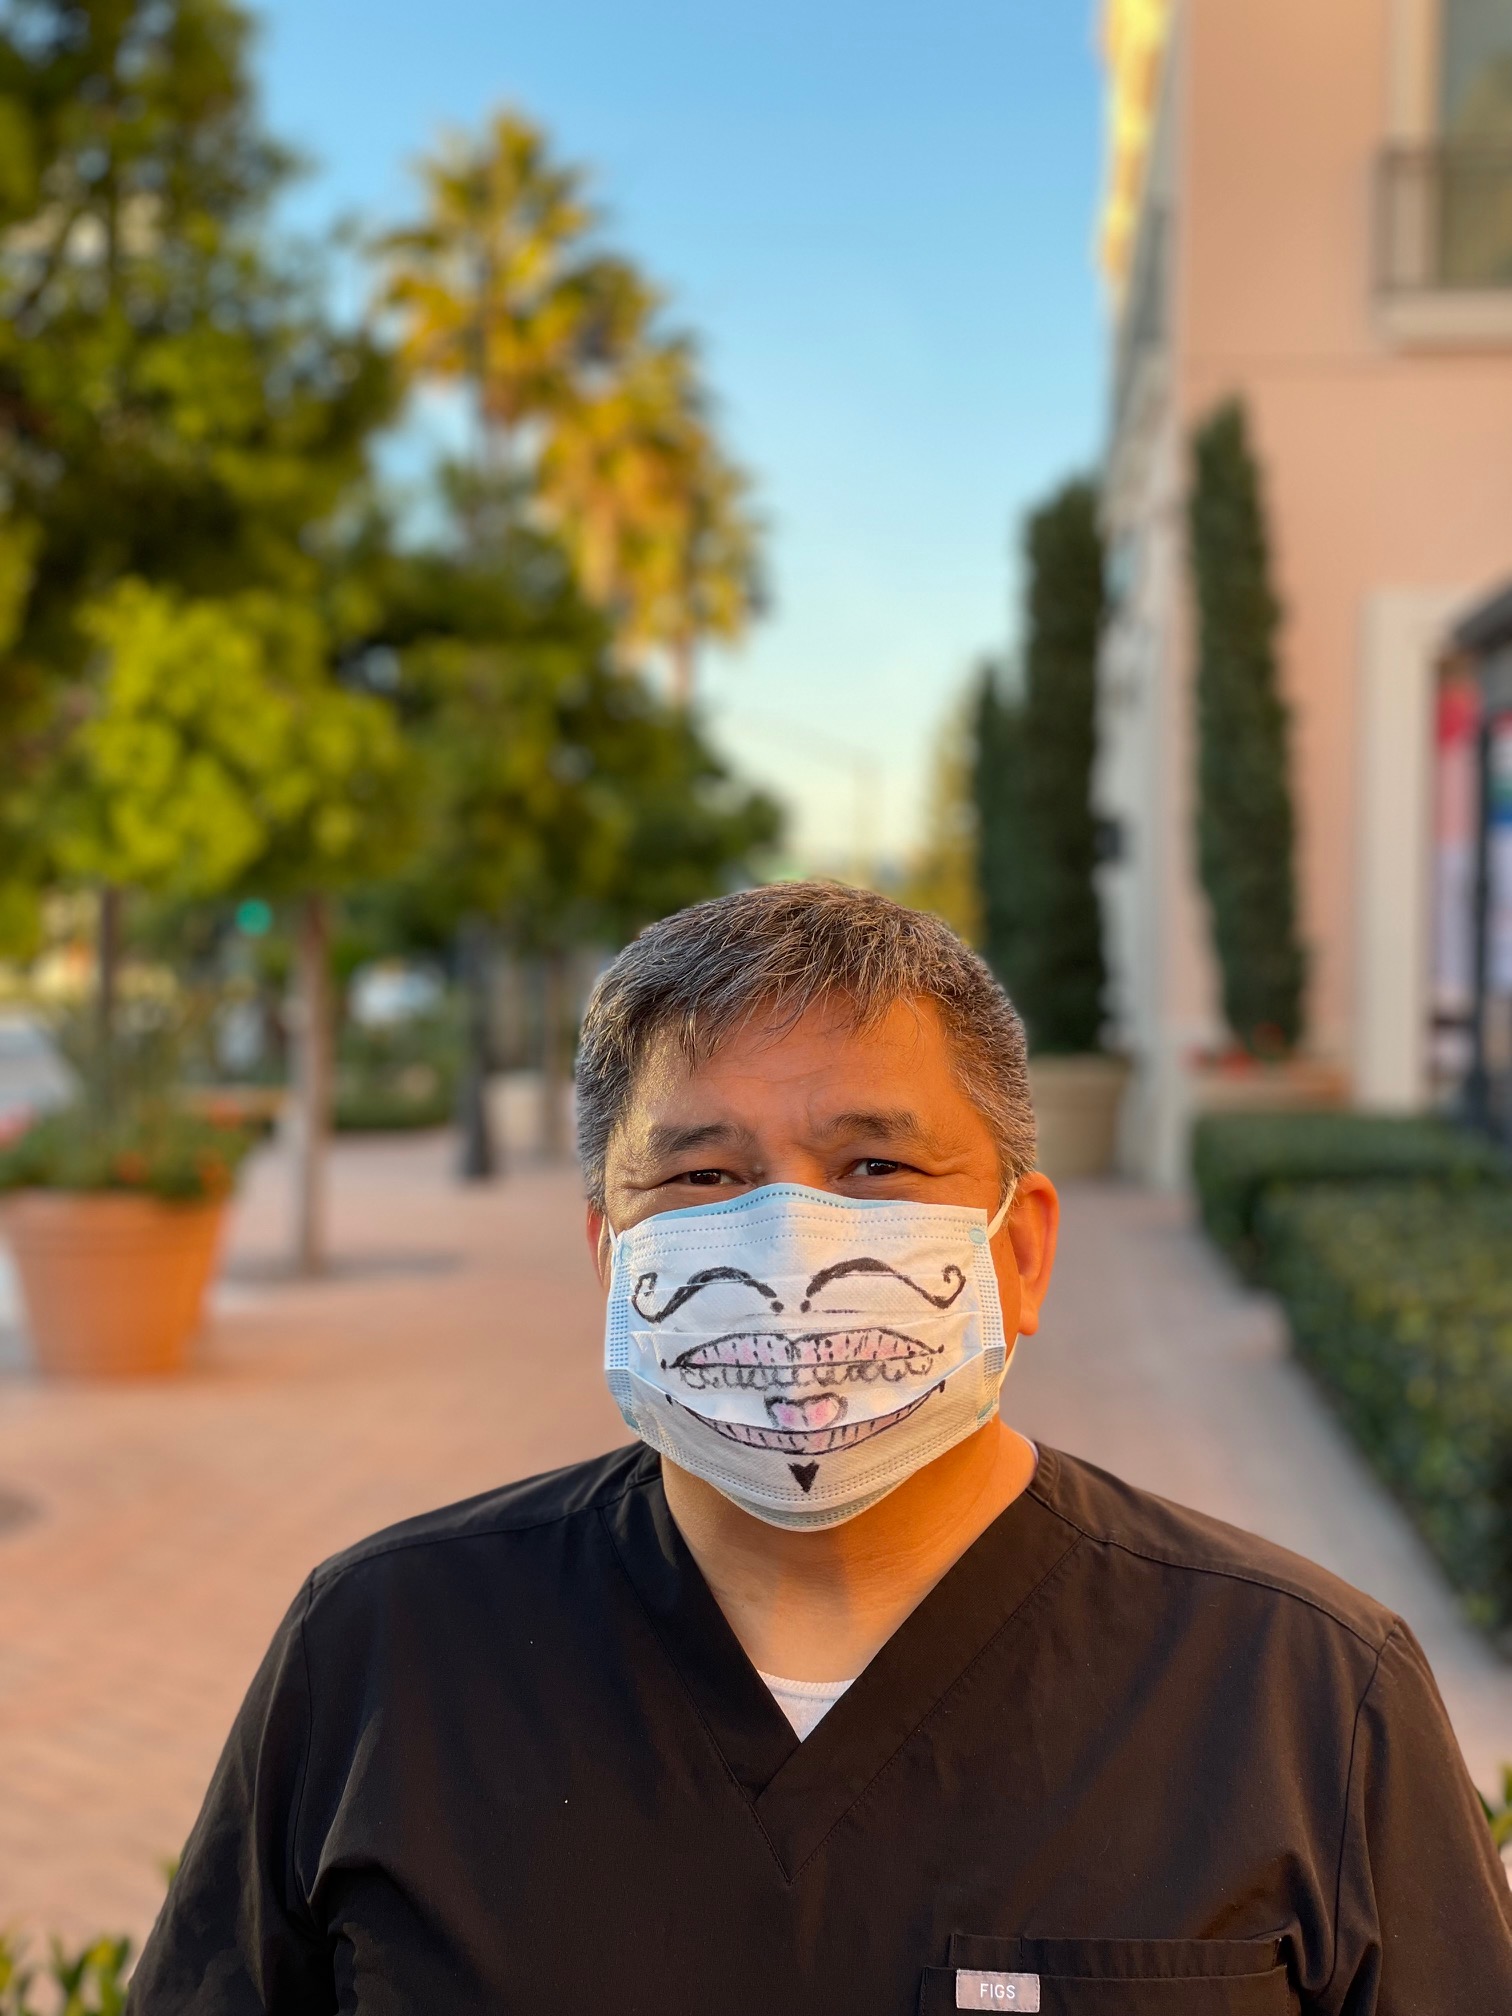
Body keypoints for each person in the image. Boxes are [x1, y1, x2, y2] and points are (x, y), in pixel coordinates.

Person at [129, 884, 1512, 2014]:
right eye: (703, 1174)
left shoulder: (1302, 1698)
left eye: (874, 1168)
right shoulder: (381, 1656)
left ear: (1022, 1251)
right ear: (610, 1256)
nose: (787, 1242)